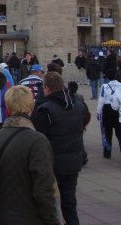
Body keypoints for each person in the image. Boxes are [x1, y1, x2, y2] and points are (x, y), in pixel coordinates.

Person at [0, 85, 62, 224]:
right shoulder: (37, 140)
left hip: (5, 215)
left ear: (8, 108)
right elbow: (44, 189)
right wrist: (53, 220)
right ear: (31, 106)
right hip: (31, 217)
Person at [33, 72, 85, 225]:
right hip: (73, 162)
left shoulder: (45, 110)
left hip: (53, 164)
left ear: (47, 89)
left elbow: (39, 139)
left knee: (50, 206)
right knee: (69, 204)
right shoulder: (78, 105)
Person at [97, 68, 120, 159]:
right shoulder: (120, 85)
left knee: (107, 132)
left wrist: (99, 112)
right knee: (119, 132)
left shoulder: (104, 86)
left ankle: (107, 152)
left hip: (107, 109)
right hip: (117, 109)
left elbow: (101, 100)